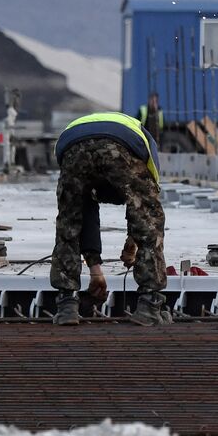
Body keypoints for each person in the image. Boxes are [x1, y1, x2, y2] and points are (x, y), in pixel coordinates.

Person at [50, 112, 171, 327]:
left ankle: (66, 306)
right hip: (119, 145)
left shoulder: (81, 137)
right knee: (150, 221)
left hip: (72, 145)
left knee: (68, 225)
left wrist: (95, 270)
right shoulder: (145, 145)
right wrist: (133, 244)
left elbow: (84, 217)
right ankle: (149, 306)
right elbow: (144, 211)